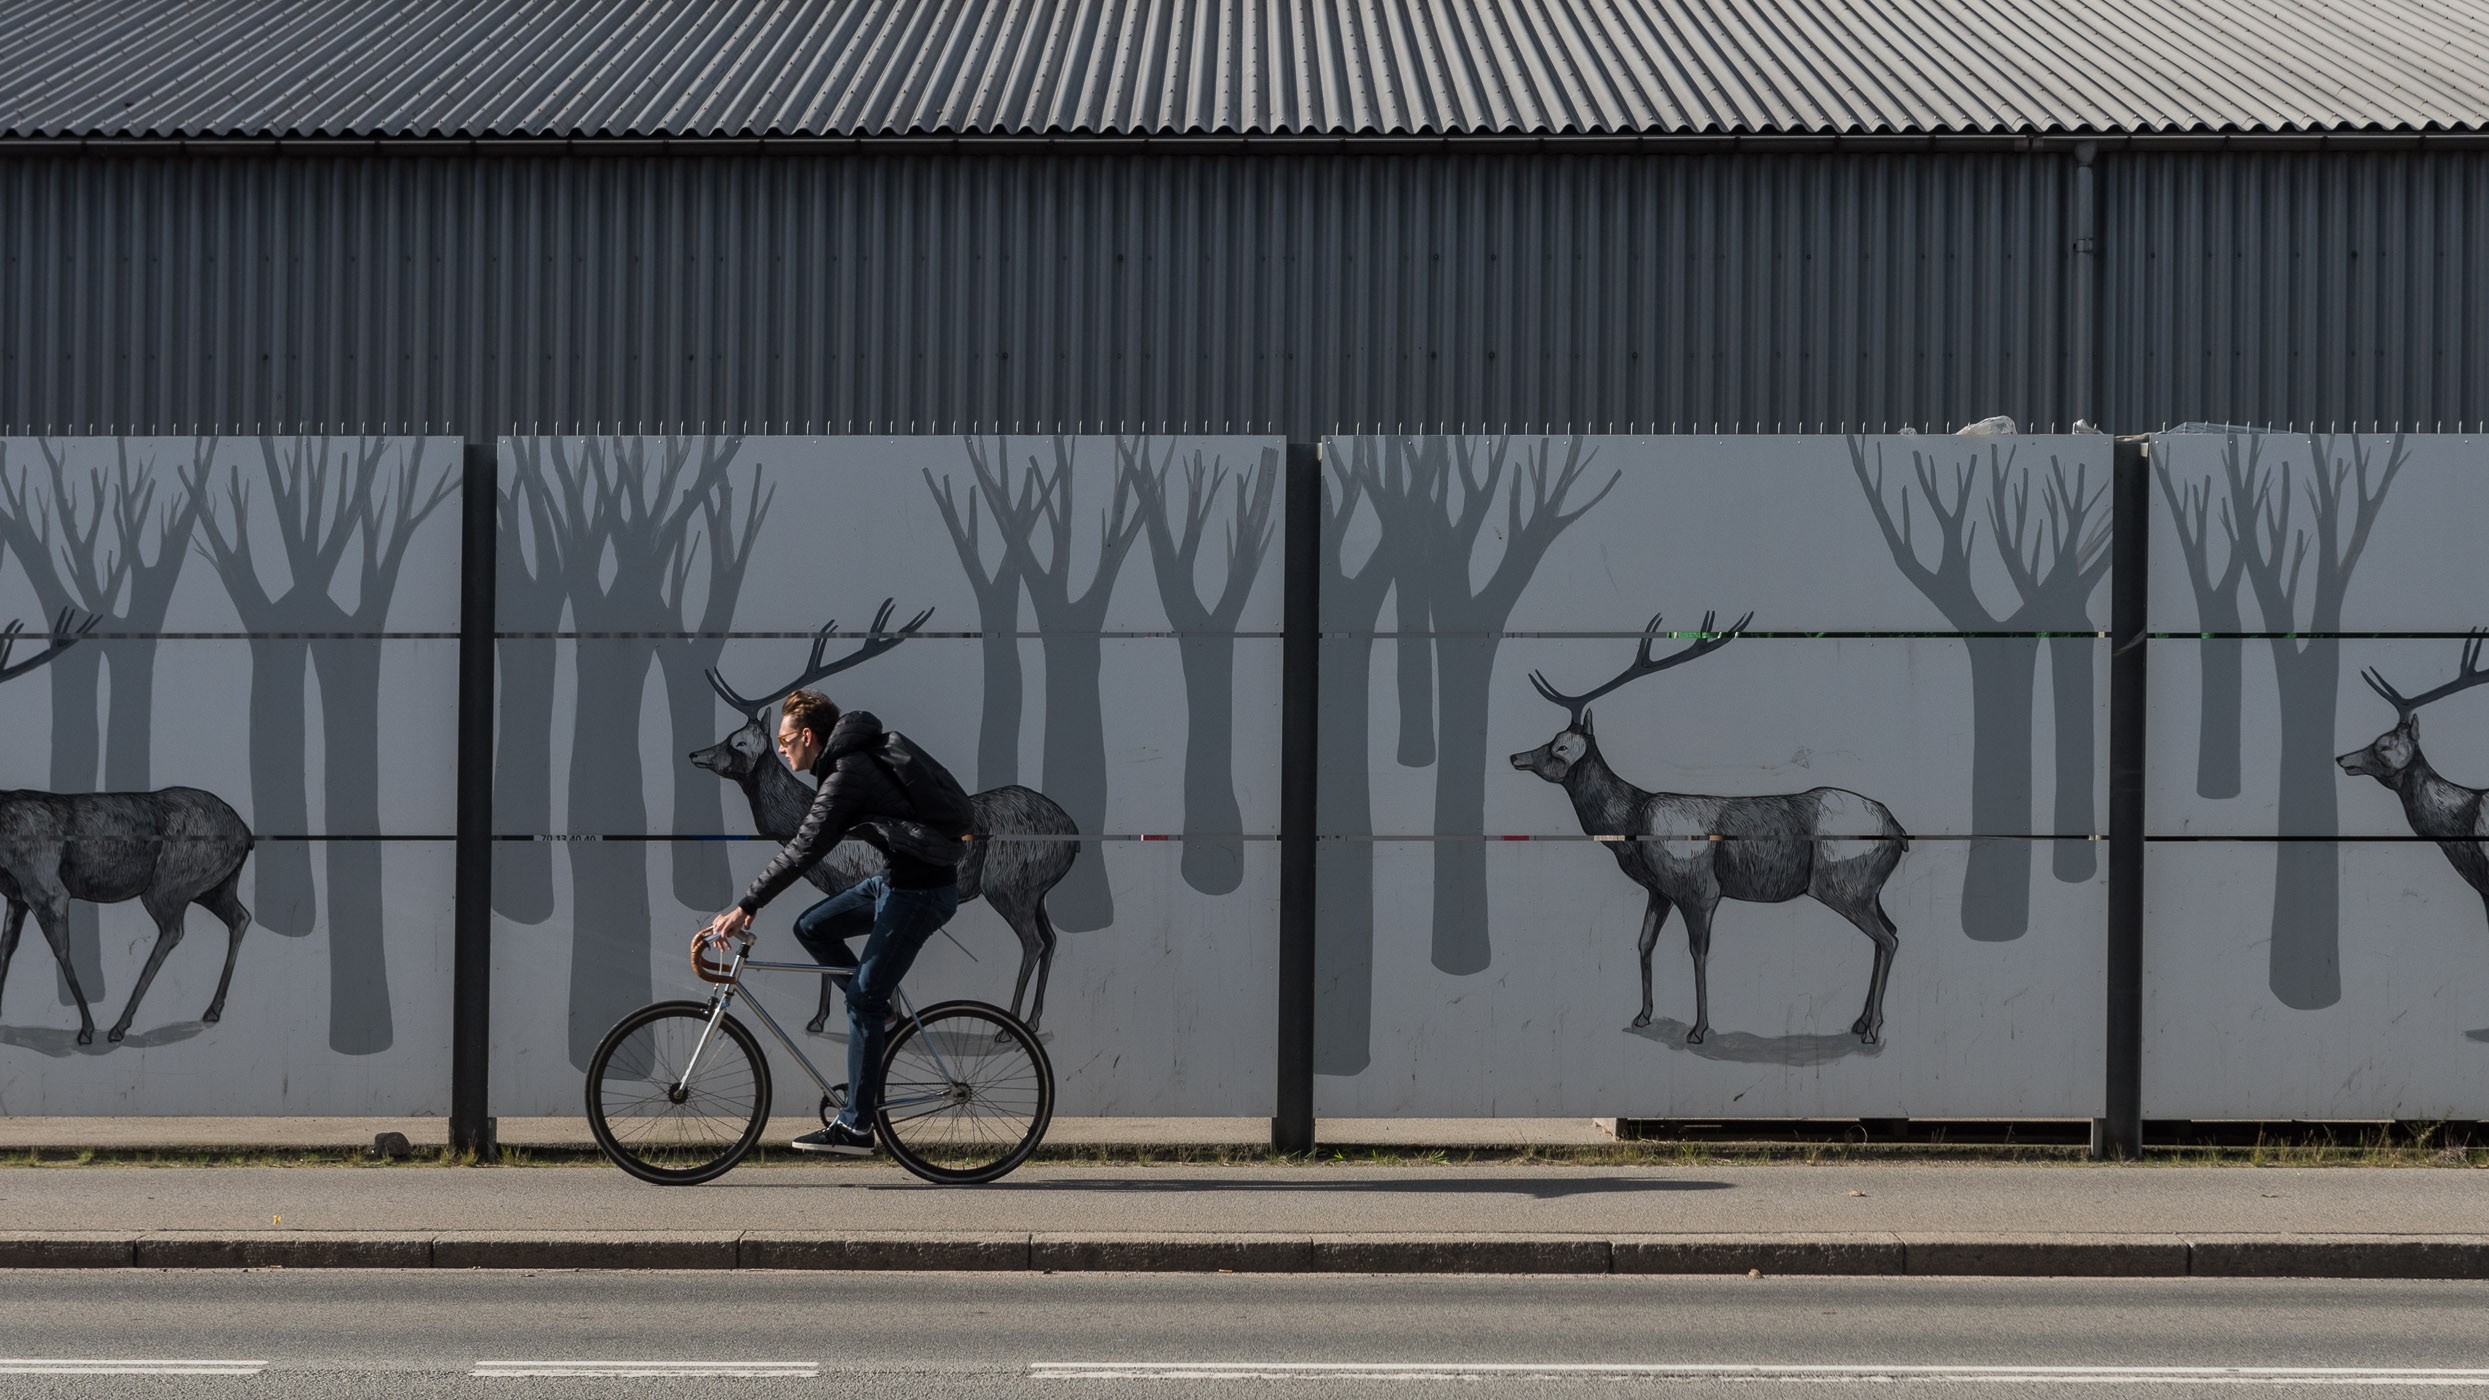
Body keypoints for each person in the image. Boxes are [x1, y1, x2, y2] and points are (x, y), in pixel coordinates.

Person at [698, 689, 963, 1155]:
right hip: (893, 882)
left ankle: (858, 1127)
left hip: (920, 892)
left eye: (784, 740)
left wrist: (747, 904)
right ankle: (879, 1017)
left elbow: (804, 848)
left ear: (807, 735)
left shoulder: (847, 774)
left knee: (861, 994)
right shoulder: (847, 766)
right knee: (812, 927)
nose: (781, 750)